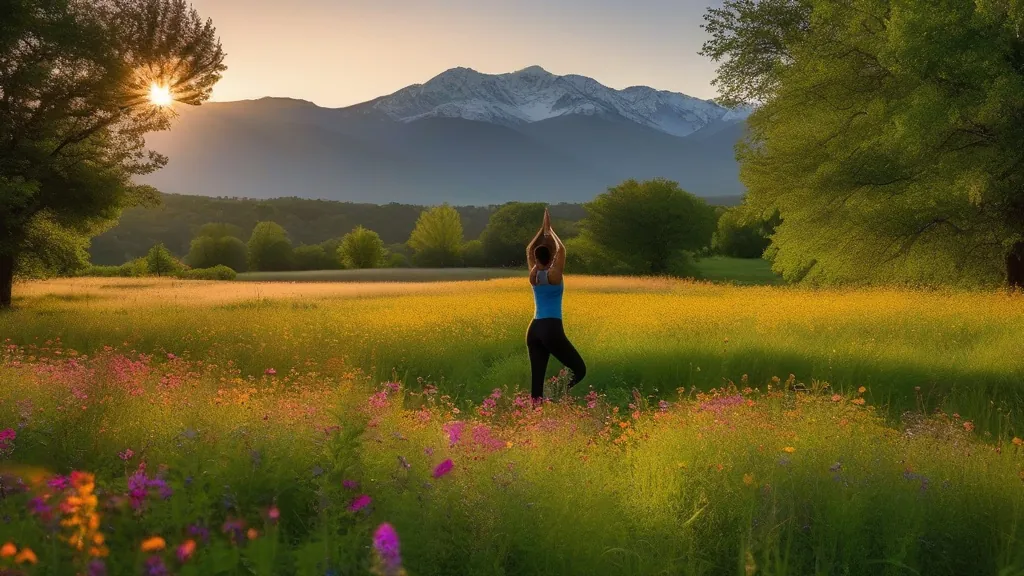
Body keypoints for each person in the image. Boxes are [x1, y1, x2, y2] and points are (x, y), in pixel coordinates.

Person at [526, 207, 586, 401]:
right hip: (551, 328)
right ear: (550, 259)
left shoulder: (533, 276)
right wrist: (550, 232)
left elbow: (529, 249)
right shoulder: (554, 275)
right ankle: (555, 394)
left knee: (536, 381)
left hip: (534, 329)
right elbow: (562, 250)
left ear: (536, 258)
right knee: (579, 369)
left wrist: (540, 230)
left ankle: (534, 414)